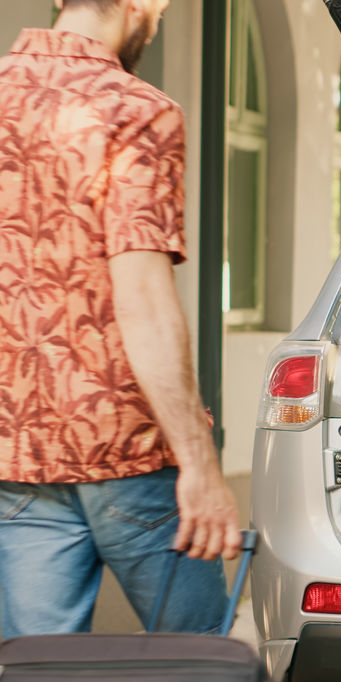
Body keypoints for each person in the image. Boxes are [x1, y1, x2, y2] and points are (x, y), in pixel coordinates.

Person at [0, 0, 241, 639]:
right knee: (200, 675)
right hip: (129, 454)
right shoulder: (136, 111)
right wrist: (199, 464)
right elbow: (144, 301)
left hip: (17, 457)